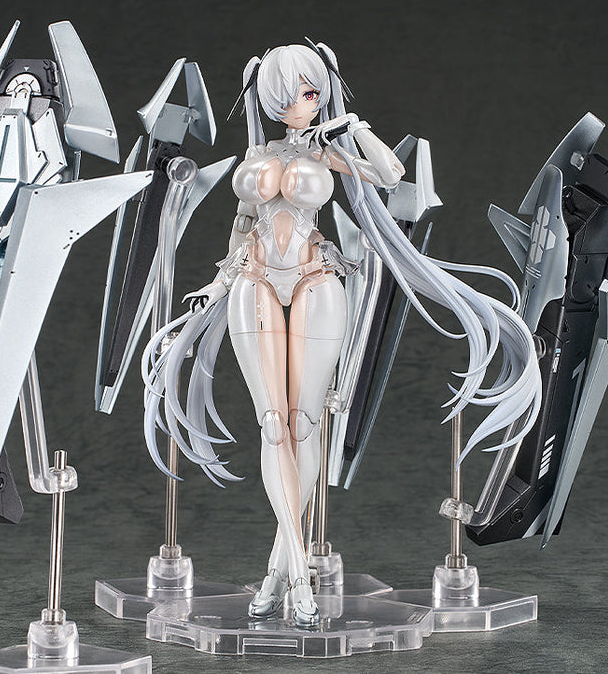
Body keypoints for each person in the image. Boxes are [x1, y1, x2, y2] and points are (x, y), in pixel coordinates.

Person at [143, 41, 541, 627]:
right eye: (291, 94)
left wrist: (353, 126)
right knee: (273, 424)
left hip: (316, 278)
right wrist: (218, 281)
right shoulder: (258, 152)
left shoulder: (329, 148)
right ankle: (294, 571)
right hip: (253, 278)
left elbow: (391, 174)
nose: (304, 103)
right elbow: (242, 224)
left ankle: (285, 573)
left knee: (305, 424)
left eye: (311, 91)